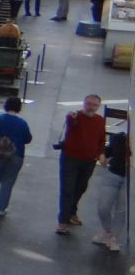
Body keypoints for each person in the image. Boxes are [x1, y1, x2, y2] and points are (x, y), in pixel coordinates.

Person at [56, 93, 105, 234]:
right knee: (67, 190)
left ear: (98, 107)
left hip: (89, 161)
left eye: (94, 105)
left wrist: (100, 154)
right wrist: (72, 117)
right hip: (70, 159)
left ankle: (72, 212)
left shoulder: (100, 121)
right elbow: (72, 124)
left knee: (81, 188)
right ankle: (62, 222)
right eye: (88, 104)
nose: (91, 107)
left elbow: (101, 139)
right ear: (84, 104)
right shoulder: (75, 117)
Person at [0, 95, 32, 217]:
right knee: (8, 181)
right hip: (16, 155)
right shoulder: (22, 123)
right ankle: (1, 209)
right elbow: (28, 139)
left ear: (6, 106)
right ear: (19, 108)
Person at [92, 124, 130, 252]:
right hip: (113, 174)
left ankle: (113, 237)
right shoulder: (119, 138)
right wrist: (102, 155)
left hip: (130, 178)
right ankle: (107, 231)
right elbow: (108, 149)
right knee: (103, 206)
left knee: (121, 209)